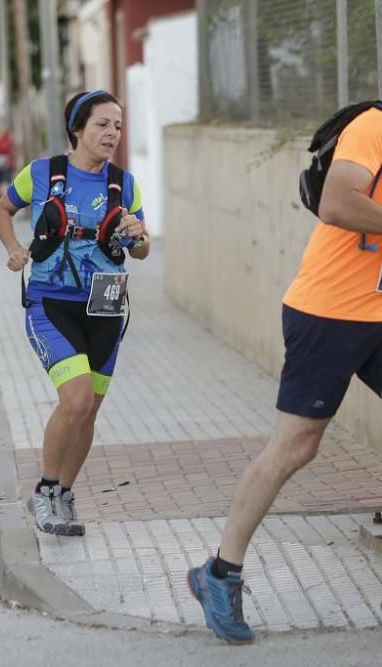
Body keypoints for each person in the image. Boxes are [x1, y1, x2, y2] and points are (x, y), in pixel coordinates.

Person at [187, 104, 382, 644]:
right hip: (328, 312)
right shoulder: (374, 127)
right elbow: (337, 203)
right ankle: (219, 573)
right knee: (297, 446)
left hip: (379, 310)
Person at [0, 89, 149, 538]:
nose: (111, 134)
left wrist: (137, 235)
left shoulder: (125, 183)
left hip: (107, 304)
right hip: (50, 303)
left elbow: (141, 250)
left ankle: (63, 491)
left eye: (117, 126)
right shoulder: (41, 173)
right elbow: (3, 210)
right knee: (75, 399)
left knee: (89, 412)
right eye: (102, 124)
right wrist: (14, 248)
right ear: (77, 129)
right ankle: (43, 489)